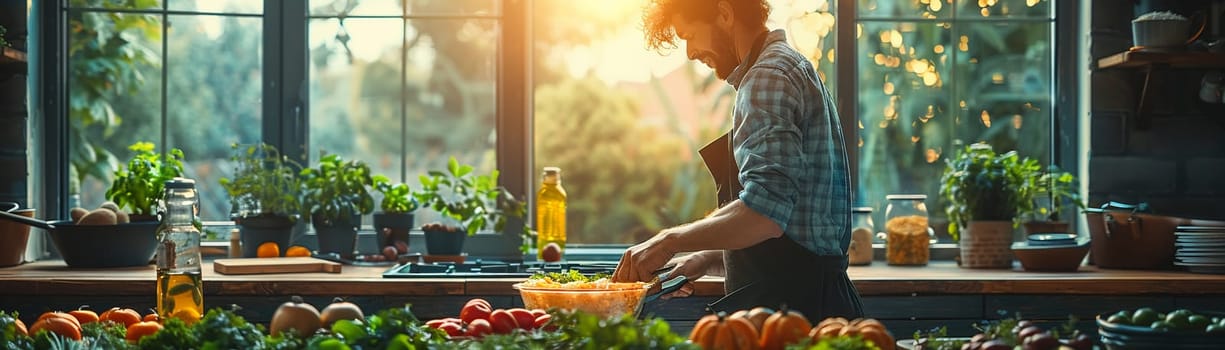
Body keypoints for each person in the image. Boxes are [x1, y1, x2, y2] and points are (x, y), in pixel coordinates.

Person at [612, 0, 863, 321]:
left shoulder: (767, 79)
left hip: (793, 314)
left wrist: (668, 241)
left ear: (725, 13)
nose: (689, 52)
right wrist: (706, 258)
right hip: (812, 302)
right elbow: (794, 231)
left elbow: (764, 216)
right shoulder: (792, 66)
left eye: (690, 35)